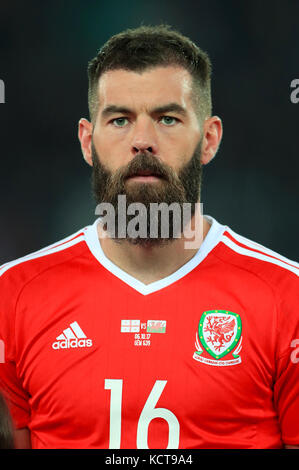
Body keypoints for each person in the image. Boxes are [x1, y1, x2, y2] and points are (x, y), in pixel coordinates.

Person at [0, 24, 298, 449]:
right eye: (120, 120)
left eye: (168, 118)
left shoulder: (288, 298)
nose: (143, 141)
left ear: (209, 139)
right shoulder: (12, 297)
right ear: (87, 142)